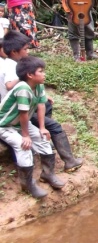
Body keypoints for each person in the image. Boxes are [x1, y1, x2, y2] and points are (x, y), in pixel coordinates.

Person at [2, 31, 83, 172]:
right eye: (25, 49)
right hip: (15, 109)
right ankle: (69, 161)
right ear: (14, 52)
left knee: (46, 106)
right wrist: (23, 78)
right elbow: (9, 85)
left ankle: (45, 140)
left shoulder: (12, 64)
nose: (27, 52)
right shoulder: (11, 67)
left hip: (19, 105)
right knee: (55, 126)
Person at [0, 56, 65, 198]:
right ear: (30, 75)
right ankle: (27, 184)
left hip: (21, 123)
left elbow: (41, 105)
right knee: (23, 145)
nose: (44, 74)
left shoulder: (39, 85)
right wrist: (26, 136)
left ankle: (48, 174)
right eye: (41, 71)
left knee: (43, 138)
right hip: (5, 125)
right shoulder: (22, 88)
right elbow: (23, 113)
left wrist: (42, 127)